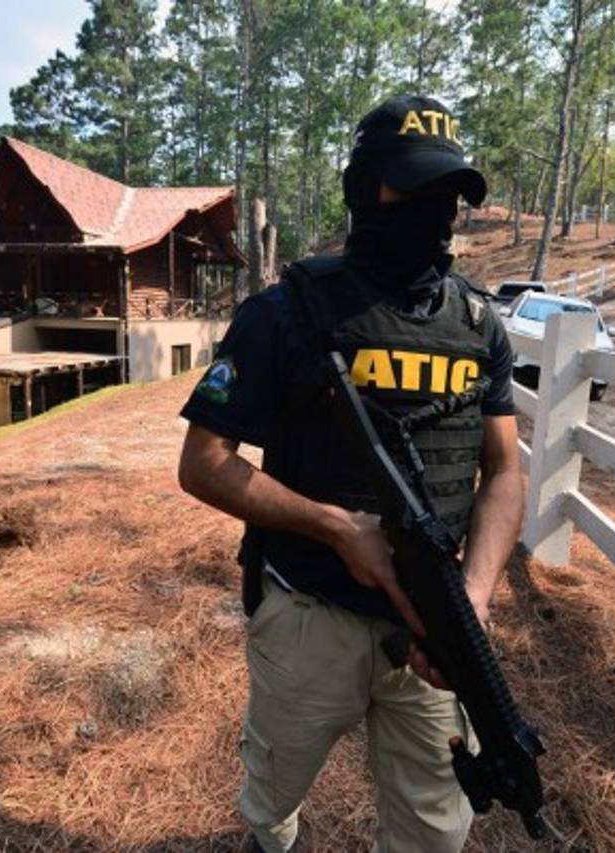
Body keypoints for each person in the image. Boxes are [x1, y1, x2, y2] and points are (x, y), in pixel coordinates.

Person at [177, 95, 523, 853]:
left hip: (434, 626)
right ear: (364, 191)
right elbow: (203, 464)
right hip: (310, 612)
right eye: (414, 189)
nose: (434, 211)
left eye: (450, 196)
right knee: (273, 791)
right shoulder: (284, 313)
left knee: (436, 827)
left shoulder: (476, 325)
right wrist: (337, 528)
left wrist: (474, 595)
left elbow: (503, 470)